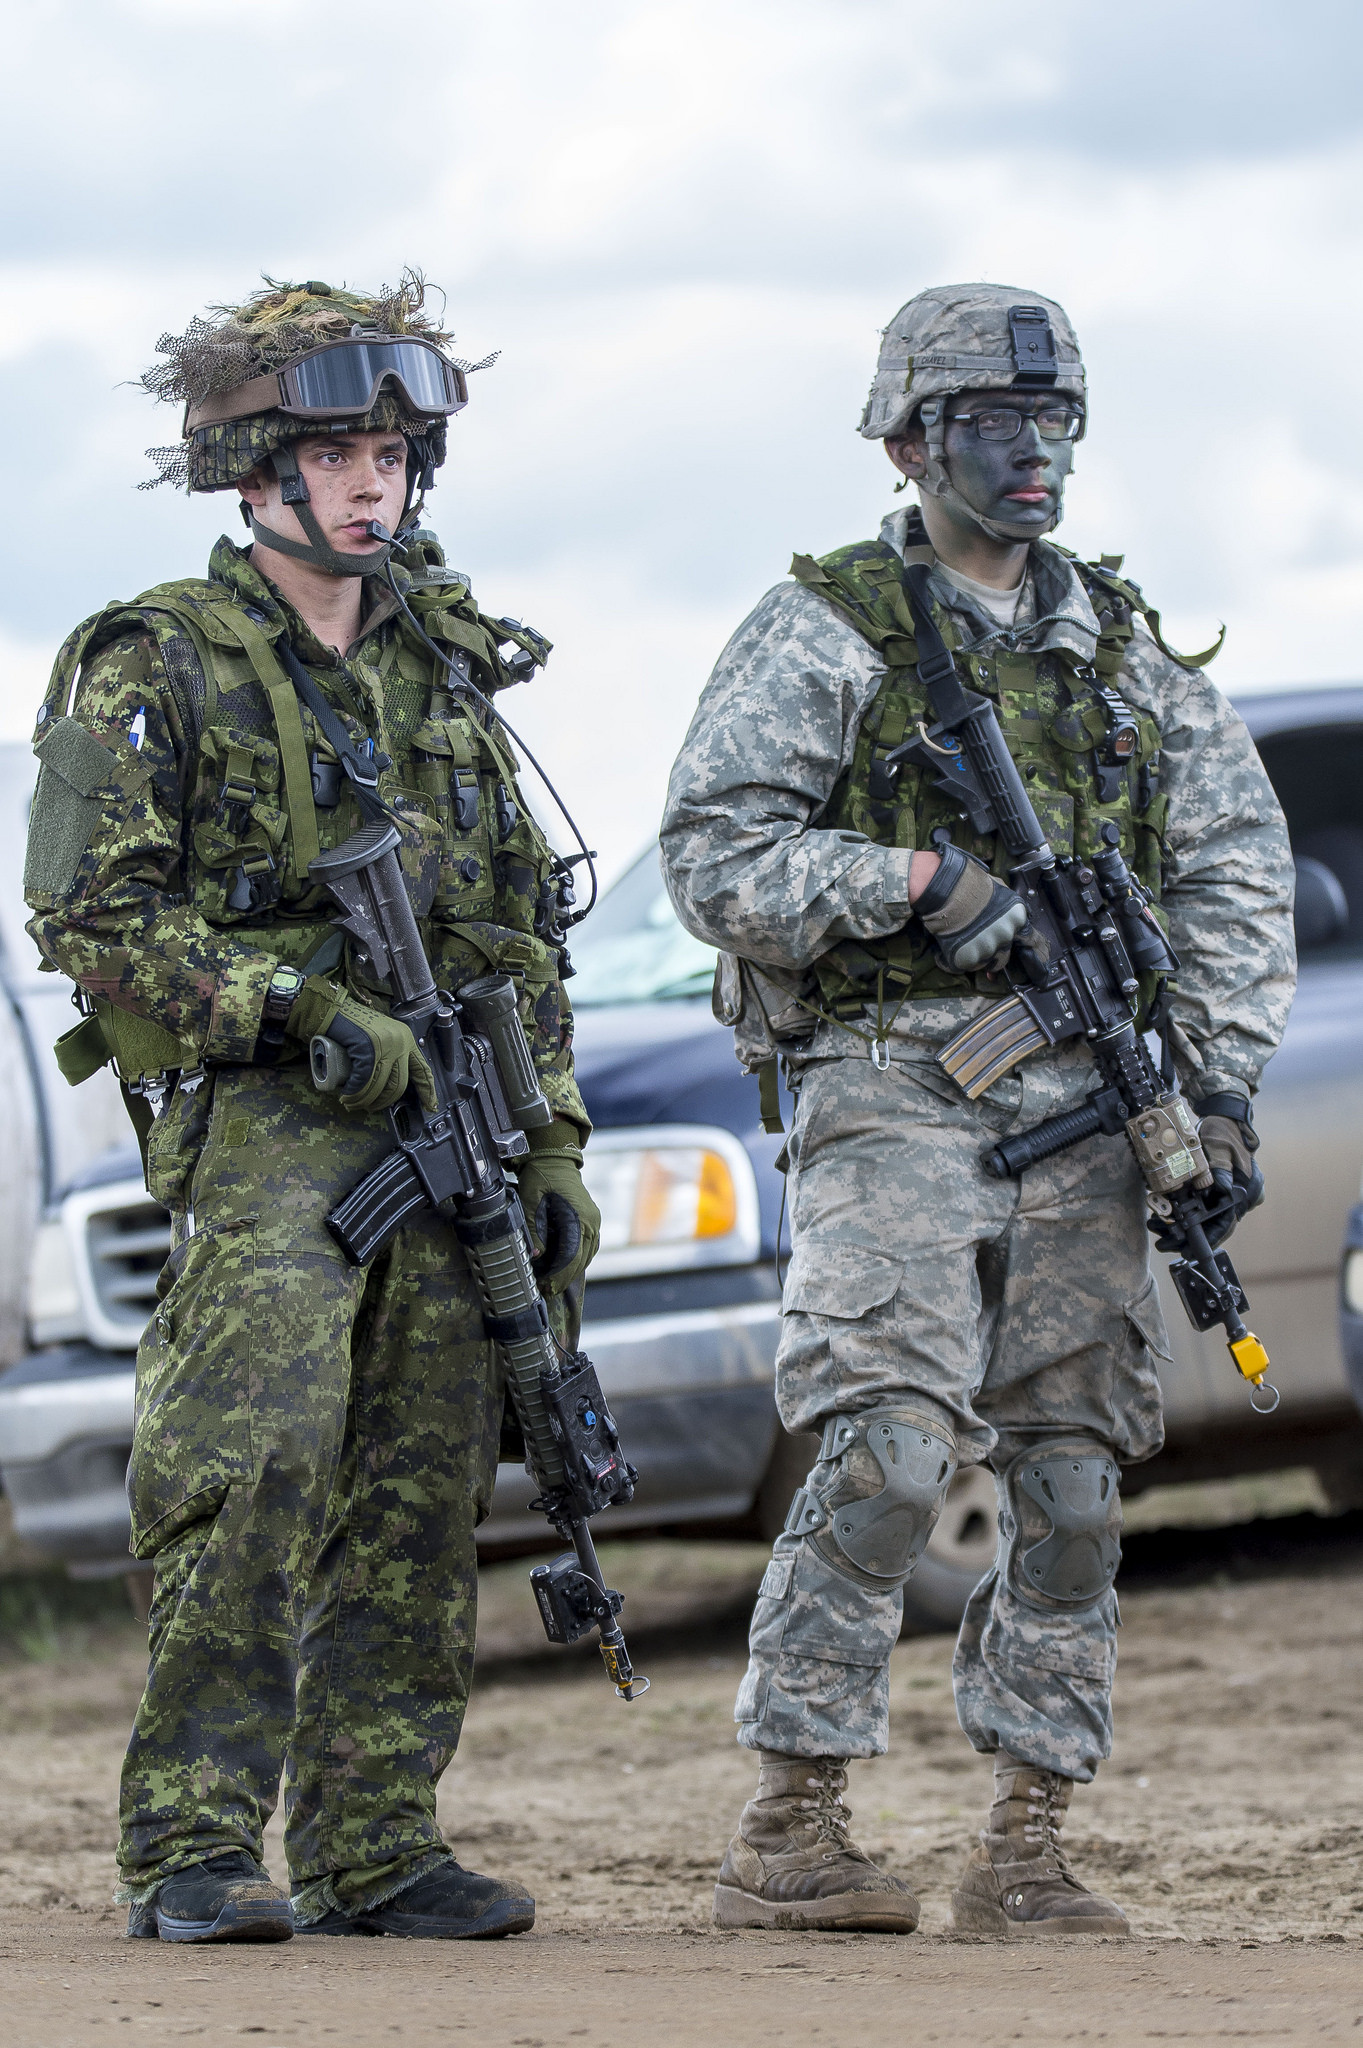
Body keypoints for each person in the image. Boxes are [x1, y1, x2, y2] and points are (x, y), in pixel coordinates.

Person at [659, 283, 1294, 1936]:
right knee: (883, 1443)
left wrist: (1213, 1080)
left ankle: (1025, 1844)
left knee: (1076, 1476)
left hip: (1094, 1095)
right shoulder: (833, 627)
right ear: (910, 440)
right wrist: (921, 882)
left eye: (1055, 423)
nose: (1033, 458)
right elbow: (716, 856)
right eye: (994, 426)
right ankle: (790, 1829)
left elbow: (1234, 866)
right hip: (893, 1076)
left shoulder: (1116, 644)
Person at [23, 274, 600, 1943]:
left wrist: (548, 1135)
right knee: (256, 1452)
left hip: (449, 1112)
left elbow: (513, 930)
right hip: (276, 1113)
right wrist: (291, 1007)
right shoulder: (156, 662)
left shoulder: (442, 664)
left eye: (395, 453)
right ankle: (191, 1848)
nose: (373, 484)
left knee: (425, 1469)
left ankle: (375, 1842)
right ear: (251, 468)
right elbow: (92, 916)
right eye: (337, 450)